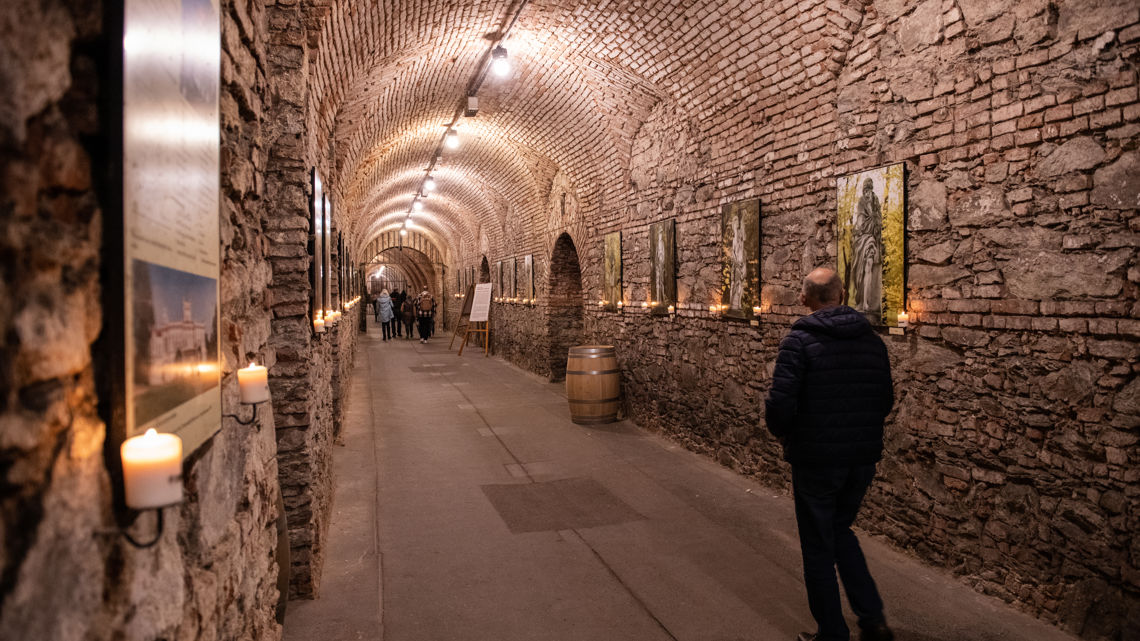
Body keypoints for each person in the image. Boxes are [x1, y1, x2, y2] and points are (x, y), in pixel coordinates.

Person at [764, 267, 894, 641]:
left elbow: (780, 404)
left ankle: (832, 633)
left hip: (817, 460)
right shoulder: (871, 341)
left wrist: (787, 434)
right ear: (841, 295)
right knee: (840, 530)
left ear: (805, 299)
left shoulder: (799, 342)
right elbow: (884, 400)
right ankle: (872, 620)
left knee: (818, 547)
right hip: (861, 458)